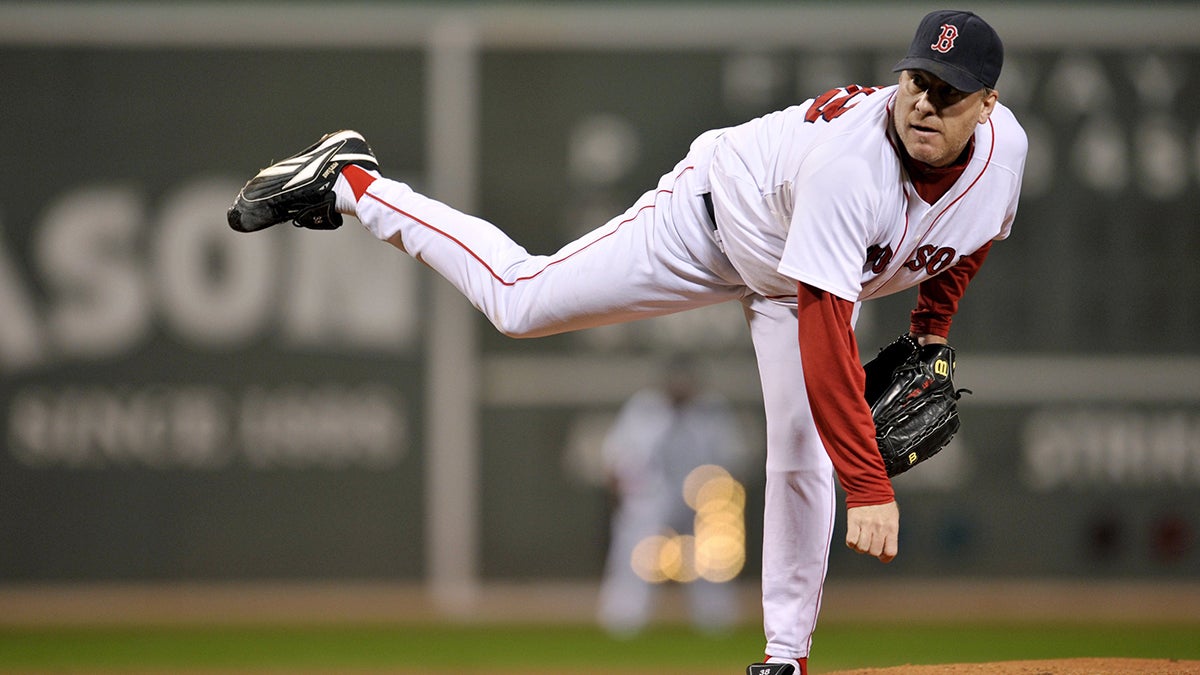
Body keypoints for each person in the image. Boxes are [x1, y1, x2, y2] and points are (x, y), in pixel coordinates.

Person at [227, 10, 1025, 674]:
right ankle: (354, 183)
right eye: (917, 79)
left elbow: (968, 238)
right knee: (521, 301)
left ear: (986, 106)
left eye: (948, 92)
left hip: (793, 270)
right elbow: (824, 330)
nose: (923, 101)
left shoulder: (1004, 158)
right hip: (712, 221)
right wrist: (871, 485)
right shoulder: (854, 170)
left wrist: (929, 331)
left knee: (800, 451)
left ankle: (786, 657)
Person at [597, 353, 751, 637]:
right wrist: (622, 495)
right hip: (652, 492)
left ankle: (715, 617)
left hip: (701, 493)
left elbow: (734, 458)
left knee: (713, 553)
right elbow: (615, 457)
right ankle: (623, 616)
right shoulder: (644, 407)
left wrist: (724, 506)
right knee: (634, 548)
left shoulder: (712, 409)